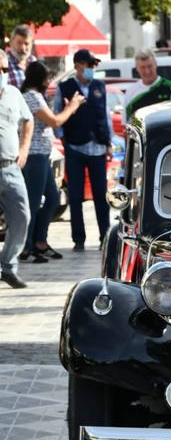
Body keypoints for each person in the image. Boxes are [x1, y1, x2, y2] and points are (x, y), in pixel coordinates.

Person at [19, 61, 83, 262]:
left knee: (53, 198)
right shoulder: (31, 97)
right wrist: (72, 107)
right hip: (34, 155)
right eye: (47, 78)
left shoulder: (36, 96)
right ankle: (26, 246)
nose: (49, 82)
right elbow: (54, 121)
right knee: (33, 201)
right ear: (39, 79)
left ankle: (39, 241)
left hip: (43, 155)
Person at [54, 49, 111, 252]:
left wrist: (109, 142)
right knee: (76, 196)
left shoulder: (99, 86)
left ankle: (105, 235)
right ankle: (78, 239)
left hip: (97, 147)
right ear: (78, 65)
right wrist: (64, 141)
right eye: (88, 65)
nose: (92, 69)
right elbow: (56, 115)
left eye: (94, 65)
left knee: (100, 195)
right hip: (75, 147)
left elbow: (105, 116)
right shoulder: (65, 87)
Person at [0, 49, 33, 288]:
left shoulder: (13, 93)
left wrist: (24, 149)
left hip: (10, 167)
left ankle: (8, 266)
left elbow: (28, 119)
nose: (2, 73)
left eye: (3, 68)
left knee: (22, 216)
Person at [123, 49, 171, 121]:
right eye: (143, 67)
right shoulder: (130, 92)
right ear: (137, 68)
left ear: (156, 64)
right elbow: (127, 124)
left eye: (150, 66)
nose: (147, 71)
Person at [6, 25, 36, 89]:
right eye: (19, 43)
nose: (23, 48)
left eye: (26, 44)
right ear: (11, 43)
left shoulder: (34, 62)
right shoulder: (3, 64)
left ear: (31, 44)